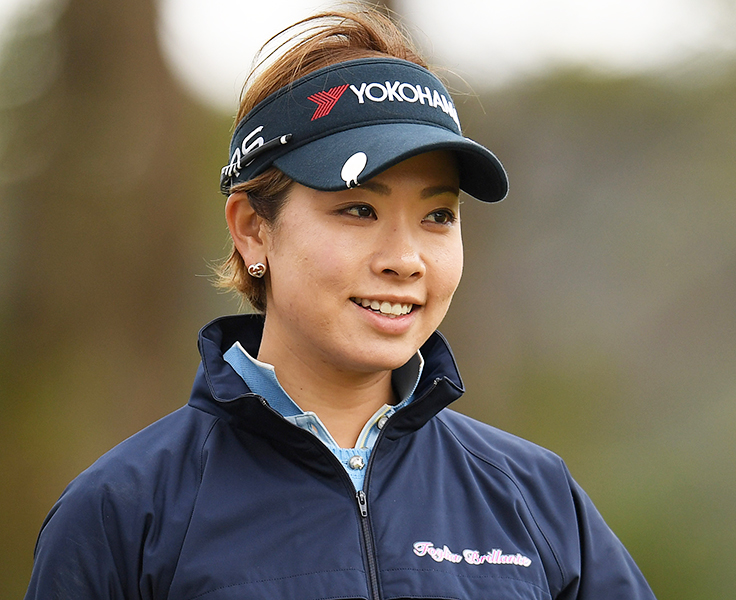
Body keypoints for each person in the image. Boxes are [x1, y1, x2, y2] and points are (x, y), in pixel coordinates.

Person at [25, 7, 656, 600]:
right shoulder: (123, 512)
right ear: (252, 229)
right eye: (359, 209)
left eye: (438, 215)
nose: (405, 258)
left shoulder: (535, 497)